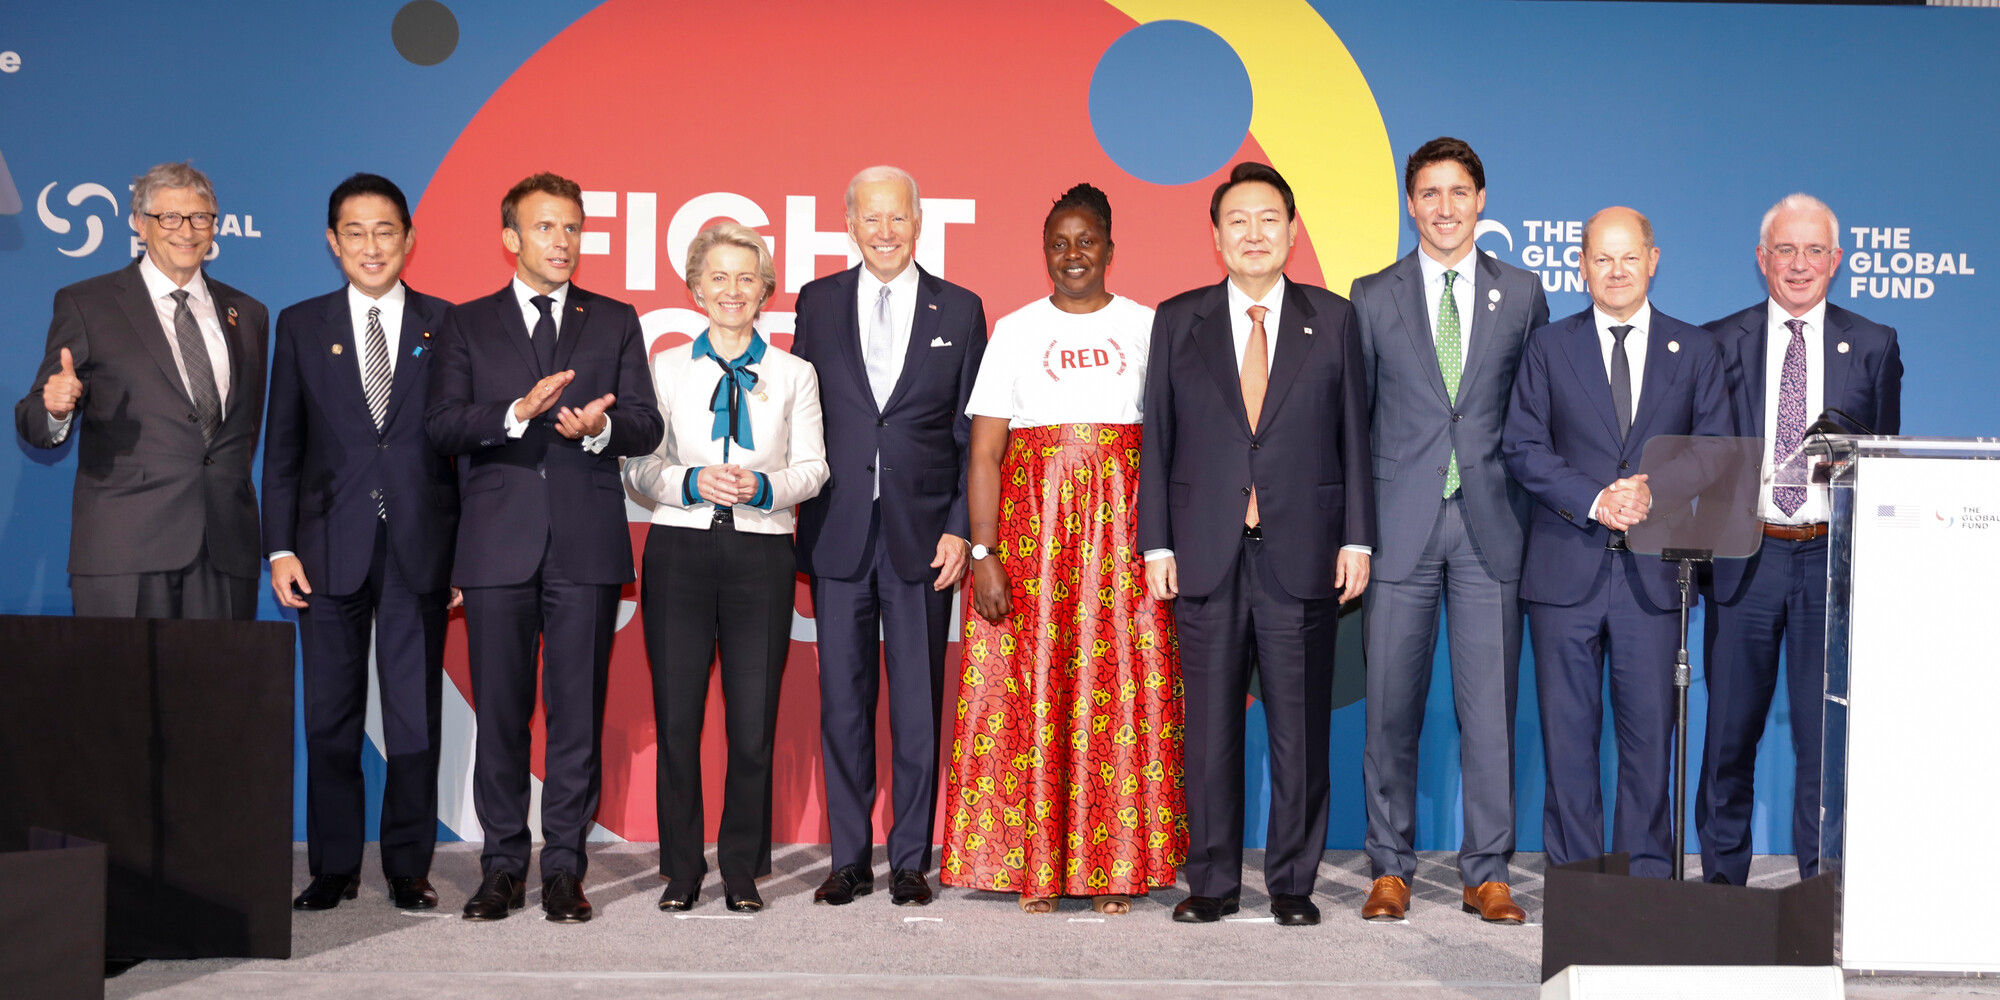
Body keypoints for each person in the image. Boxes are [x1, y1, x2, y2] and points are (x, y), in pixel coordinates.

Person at [1138, 161, 1375, 926]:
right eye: (1237, 220)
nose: (1253, 234)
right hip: (1204, 552)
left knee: (1299, 732)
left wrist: (1359, 540)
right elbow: (1159, 441)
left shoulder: (1334, 321)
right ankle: (1209, 882)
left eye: (1268, 219)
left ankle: (1292, 883)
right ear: (1215, 236)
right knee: (1207, 730)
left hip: (1300, 552)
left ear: (1293, 232)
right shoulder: (1178, 320)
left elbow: (1355, 441)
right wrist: (1157, 545)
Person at [942, 183, 1186, 915]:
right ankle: (1034, 865)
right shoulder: (1015, 332)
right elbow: (984, 453)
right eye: (1059, 243)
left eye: (1086, 241)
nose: (1072, 255)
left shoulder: (1151, 328)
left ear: (1111, 247)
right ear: (1043, 251)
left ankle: (1116, 867)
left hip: (1124, 535)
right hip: (1032, 536)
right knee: (1032, 692)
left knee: (1122, 693)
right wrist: (985, 554)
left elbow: (1174, 444)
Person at [425, 172, 662, 923]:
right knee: (500, 712)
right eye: (546, 228)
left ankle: (564, 866)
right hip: (497, 546)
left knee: (576, 712)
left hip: (585, 545)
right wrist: (515, 414)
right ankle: (501, 866)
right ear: (510, 238)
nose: (562, 242)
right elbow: (442, 427)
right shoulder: (465, 324)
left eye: (572, 228)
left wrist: (598, 429)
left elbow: (647, 425)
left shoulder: (615, 319)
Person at [1351, 138, 1547, 924]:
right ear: (1410, 203)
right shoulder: (1371, 295)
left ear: (1482, 200)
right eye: (1429, 193)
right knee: (1390, 708)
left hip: (1491, 529)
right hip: (1398, 530)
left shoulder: (1524, 294)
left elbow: (1535, 415)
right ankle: (1389, 868)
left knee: (1489, 711)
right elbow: (1353, 423)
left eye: (1458, 192)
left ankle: (1487, 872)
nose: (1443, 207)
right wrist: (1356, 532)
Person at [1502, 206, 1731, 879]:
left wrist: (1650, 491)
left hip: (1654, 582)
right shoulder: (1549, 346)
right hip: (1562, 575)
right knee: (1568, 745)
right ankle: (1575, 887)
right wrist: (1597, 499)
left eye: (1629, 257)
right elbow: (1521, 446)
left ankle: (1648, 885)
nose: (1616, 271)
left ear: (1653, 260)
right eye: (1601, 259)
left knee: (1647, 745)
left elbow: (1715, 448)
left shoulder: (1695, 350)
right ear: (1582, 267)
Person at [791, 166, 987, 908]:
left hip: (921, 540)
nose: (884, 232)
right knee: (842, 704)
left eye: (897, 218)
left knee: (916, 707)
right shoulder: (817, 303)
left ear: (918, 223)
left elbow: (974, 434)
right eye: (870, 219)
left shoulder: (961, 309)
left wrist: (960, 531)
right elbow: (801, 414)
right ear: (849, 224)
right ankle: (847, 859)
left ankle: (910, 859)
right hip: (838, 533)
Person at [265, 173, 460, 912]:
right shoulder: (301, 325)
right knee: (330, 719)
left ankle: (409, 866)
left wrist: (464, 555)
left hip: (420, 551)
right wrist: (279, 547)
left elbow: (464, 456)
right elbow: (281, 448)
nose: (372, 246)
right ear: (332, 242)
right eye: (355, 232)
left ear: (409, 239)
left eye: (386, 231)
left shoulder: (448, 325)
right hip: (324, 552)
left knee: (413, 717)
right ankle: (334, 867)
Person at [1697, 194, 1902, 887]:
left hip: (1827, 562)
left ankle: (1820, 892)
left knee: (1823, 743)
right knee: (1728, 737)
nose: (1800, 264)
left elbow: (1885, 463)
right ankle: (1722, 890)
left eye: (1815, 250)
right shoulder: (1717, 342)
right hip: (1745, 558)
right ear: (1762, 259)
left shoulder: (1874, 344)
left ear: (1837, 261)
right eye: (1786, 249)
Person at [624, 223, 827, 914]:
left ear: (765, 289)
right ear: (695, 287)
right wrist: (688, 482)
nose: (732, 290)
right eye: (718, 277)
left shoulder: (795, 373)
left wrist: (765, 490)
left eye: (746, 278)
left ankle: (741, 869)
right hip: (678, 554)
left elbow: (815, 466)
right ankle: (681, 871)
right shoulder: (666, 369)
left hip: (761, 556)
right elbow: (638, 465)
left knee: (752, 722)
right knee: (678, 721)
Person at [15, 161, 267, 618]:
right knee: (120, 691)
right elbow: (34, 419)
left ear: (214, 226)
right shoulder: (87, 304)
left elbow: (245, 430)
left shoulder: (248, 313)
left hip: (225, 551)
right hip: (124, 549)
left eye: (200, 218)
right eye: (169, 217)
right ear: (139, 224)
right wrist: (54, 409)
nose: (186, 231)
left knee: (219, 691)